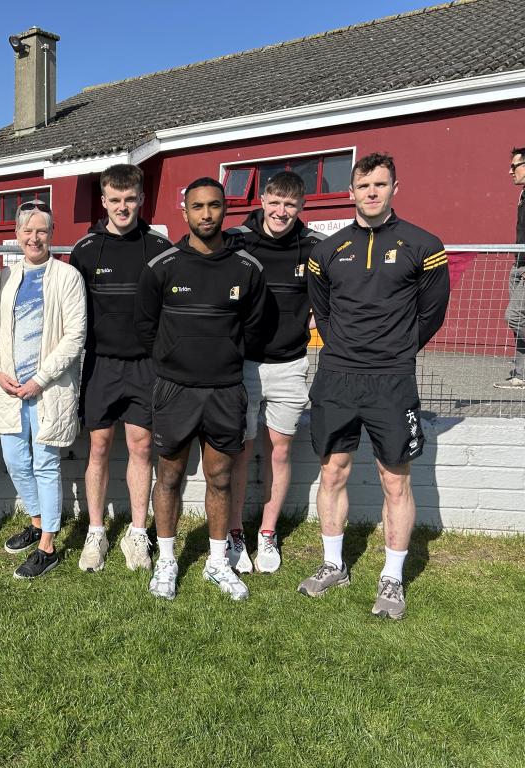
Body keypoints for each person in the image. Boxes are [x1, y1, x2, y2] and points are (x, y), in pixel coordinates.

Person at [302, 152, 449, 620]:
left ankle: (392, 576)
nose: (372, 192)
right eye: (364, 185)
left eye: (380, 184)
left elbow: (432, 312)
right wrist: (345, 348)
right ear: (351, 192)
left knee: (394, 478)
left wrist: (397, 350)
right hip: (337, 376)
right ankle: (333, 564)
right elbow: (323, 311)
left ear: (394, 188)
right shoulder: (327, 251)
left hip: (391, 379)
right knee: (333, 472)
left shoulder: (423, 245)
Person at [135, 177, 267, 601]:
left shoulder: (247, 268)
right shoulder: (163, 266)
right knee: (168, 475)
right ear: (185, 211)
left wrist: (222, 353)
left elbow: (255, 329)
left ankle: (217, 562)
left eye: (214, 205)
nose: (206, 214)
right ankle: (167, 560)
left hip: (226, 390)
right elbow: (145, 328)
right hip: (175, 391)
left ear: (224, 209)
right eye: (197, 206)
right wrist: (176, 358)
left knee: (221, 477)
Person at [69, 164, 170, 573]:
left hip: (146, 366)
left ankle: (138, 532)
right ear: (103, 201)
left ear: (141, 199)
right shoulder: (85, 249)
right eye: (115, 200)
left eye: (130, 199)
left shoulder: (160, 247)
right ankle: (96, 532)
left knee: (141, 448)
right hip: (101, 364)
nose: (122, 207)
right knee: (98, 447)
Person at [225, 171, 325, 574]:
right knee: (241, 449)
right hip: (244, 364)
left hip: (290, 364)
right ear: (263, 200)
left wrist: (309, 322)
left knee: (280, 450)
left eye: (290, 205)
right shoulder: (237, 240)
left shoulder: (314, 246)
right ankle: (235, 532)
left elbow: (332, 296)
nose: (282, 212)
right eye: (276, 202)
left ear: (300, 207)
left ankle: (267, 533)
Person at [0, 201, 86, 578]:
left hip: (48, 389)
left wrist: (39, 379)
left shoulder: (67, 277)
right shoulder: (7, 278)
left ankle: (48, 545)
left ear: (51, 233)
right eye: (27, 231)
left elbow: (75, 336)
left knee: (45, 464)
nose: (34, 237)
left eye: (41, 230)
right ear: (16, 235)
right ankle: (37, 520)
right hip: (11, 391)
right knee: (15, 460)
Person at [496, 145, 525, 389]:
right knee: (520, 321)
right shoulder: (523, 194)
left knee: (514, 316)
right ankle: (521, 374)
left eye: (514, 166)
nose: (510, 171)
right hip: (519, 263)